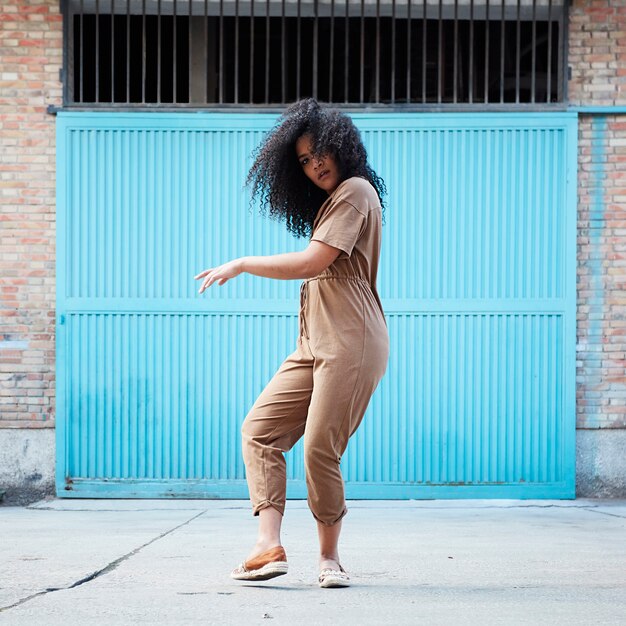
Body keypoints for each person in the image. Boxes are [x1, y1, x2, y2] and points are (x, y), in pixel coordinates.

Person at [194, 98, 389, 588]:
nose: (314, 163)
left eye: (320, 151)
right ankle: (268, 545)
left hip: (352, 340)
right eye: (303, 160)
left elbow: (312, 263)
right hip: (313, 342)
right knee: (259, 430)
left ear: (341, 146)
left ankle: (329, 560)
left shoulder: (355, 191)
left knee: (319, 449)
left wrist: (241, 263)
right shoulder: (329, 203)